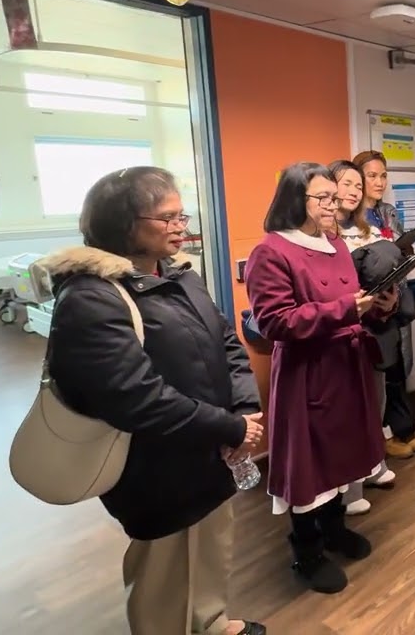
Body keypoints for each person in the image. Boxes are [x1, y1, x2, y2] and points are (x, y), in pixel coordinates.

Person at [42, 166, 267, 635]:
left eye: (182, 215)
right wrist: (229, 428)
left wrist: (244, 410)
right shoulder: (91, 296)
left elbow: (227, 343)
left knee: (210, 544)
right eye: (166, 218)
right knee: (164, 568)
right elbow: (135, 397)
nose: (180, 226)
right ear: (123, 224)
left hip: (210, 445)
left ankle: (208, 620)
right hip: (156, 463)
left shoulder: (180, 275)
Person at [244, 162, 396, 594]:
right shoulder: (271, 252)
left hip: (346, 367)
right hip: (308, 374)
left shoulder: (336, 244)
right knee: (310, 465)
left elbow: (355, 302)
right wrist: (347, 309)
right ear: (298, 201)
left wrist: (380, 304)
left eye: (335, 197)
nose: (335, 205)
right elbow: (275, 321)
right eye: (325, 198)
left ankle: (335, 530)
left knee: (344, 456)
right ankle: (306, 551)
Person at [328, 159, 401, 517]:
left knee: (377, 397)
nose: (356, 190)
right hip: (341, 332)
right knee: (351, 409)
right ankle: (349, 485)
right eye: (349, 183)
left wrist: (390, 300)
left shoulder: (368, 228)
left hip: (375, 326)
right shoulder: (324, 233)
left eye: (360, 185)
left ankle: (371, 465)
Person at [353, 150, 415, 457]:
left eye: (383, 175)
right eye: (372, 176)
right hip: (370, 306)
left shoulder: (389, 212)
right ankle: (382, 436)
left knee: (398, 367)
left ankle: (399, 430)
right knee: (379, 371)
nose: (379, 182)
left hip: (396, 296)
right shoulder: (352, 218)